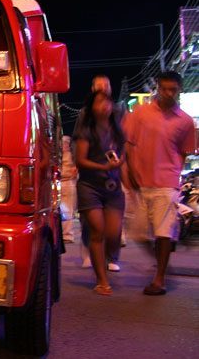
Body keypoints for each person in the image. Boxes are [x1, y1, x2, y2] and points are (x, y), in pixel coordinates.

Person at [123, 71, 197, 296]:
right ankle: (162, 262)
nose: (168, 93)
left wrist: (174, 173)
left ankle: (159, 278)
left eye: (173, 89)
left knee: (163, 232)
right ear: (157, 88)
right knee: (137, 233)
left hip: (166, 183)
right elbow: (128, 145)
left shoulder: (185, 121)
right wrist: (128, 173)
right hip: (140, 182)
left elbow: (184, 152)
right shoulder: (140, 112)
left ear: (179, 90)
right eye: (164, 88)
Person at [74, 89, 126, 296]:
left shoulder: (117, 129)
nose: (104, 105)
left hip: (113, 188)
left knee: (113, 234)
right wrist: (103, 167)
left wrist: (121, 163)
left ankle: (105, 260)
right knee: (97, 231)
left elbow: (125, 153)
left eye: (107, 102)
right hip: (90, 187)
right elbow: (80, 160)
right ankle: (101, 281)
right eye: (98, 102)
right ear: (92, 108)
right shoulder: (87, 130)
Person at [60, 136, 78, 243]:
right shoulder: (59, 155)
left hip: (68, 183)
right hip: (60, 184)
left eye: (65, 143)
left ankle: (67, 235)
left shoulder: (71, 156)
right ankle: (63, 234)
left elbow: (74, 171)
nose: (64, 145)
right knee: (62, 211)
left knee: (68, 210)